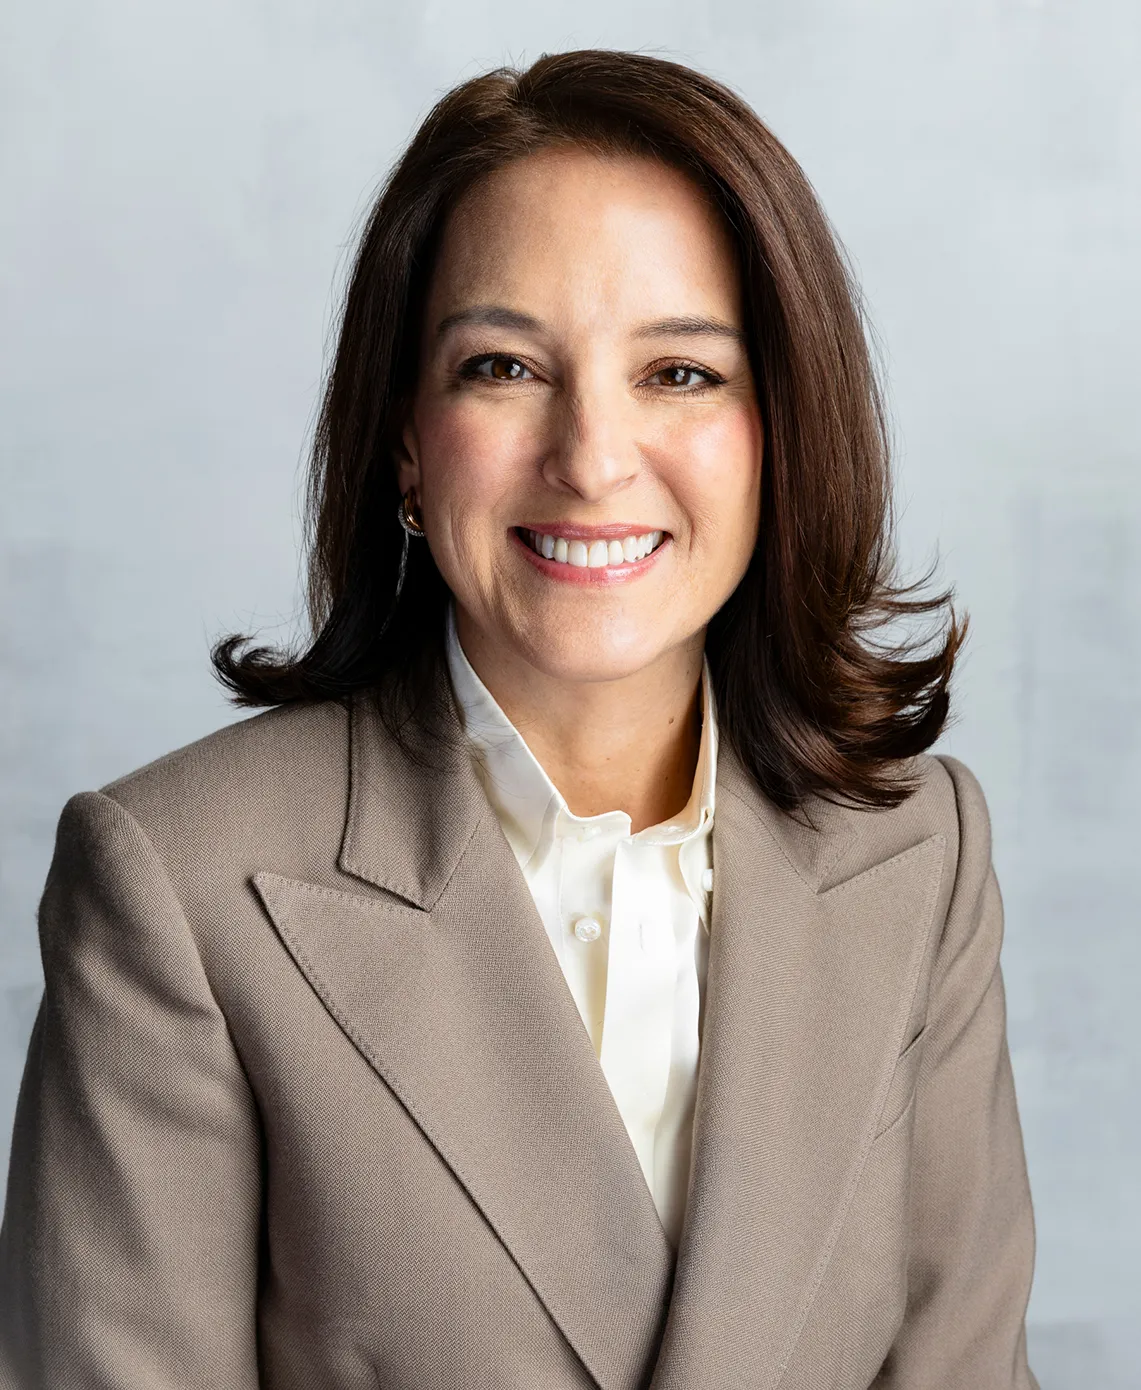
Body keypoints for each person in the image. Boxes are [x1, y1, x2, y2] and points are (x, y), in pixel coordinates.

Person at [0, 48, 1040, 1390]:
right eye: (502, 365)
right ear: (402, 439)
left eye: (681, 373)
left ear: (782, 426)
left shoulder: (921, 854)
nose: (593, 457)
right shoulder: (180, 886)